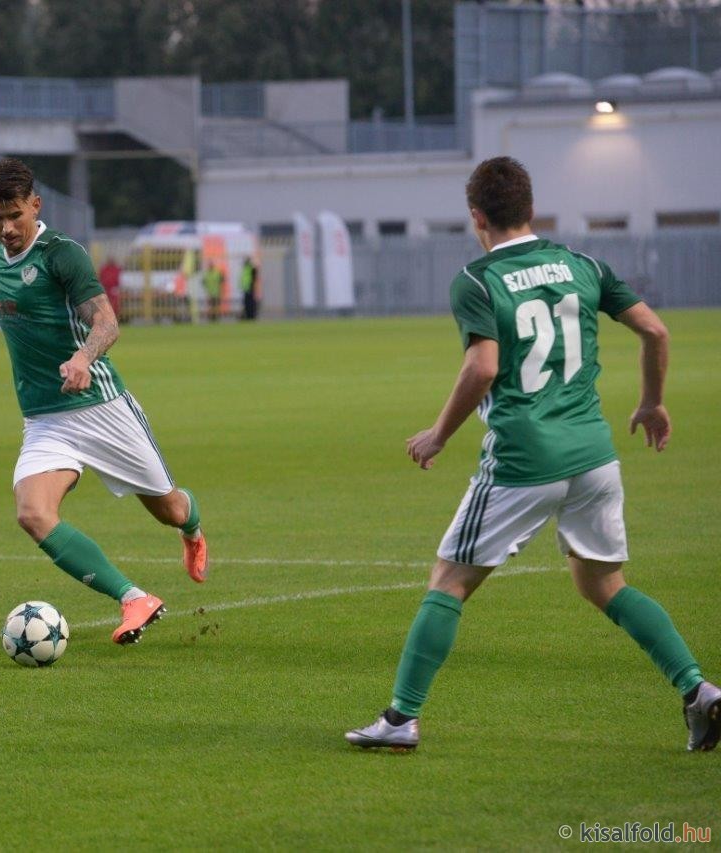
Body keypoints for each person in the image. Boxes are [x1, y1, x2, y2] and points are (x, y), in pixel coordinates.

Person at [345, 156, 720, 753]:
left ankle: (399, 721)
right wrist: (651, 402)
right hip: (594, 454)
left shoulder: (476, 280)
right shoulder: (582, 264)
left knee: (448, 580)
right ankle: (698, 690)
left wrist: (440, 433)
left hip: (525, 458)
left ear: (477, 217)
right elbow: (656, 331)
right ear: (532, 210)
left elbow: (484, 365)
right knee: (602, 583)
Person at [0, 158, 208, 646]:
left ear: (36, 205)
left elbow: (108, 323)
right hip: (44, 420)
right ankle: (133, 597)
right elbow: (5, 269)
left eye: (15, 215)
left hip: (101, 407)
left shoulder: (64, 254)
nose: (7, 227)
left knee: (168, 510)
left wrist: (81, 358)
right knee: (32, 514)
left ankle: (194, 528)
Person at [239, 255, 260, 320]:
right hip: (246, 288)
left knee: (251, 303)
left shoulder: (251, 268)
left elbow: (255, 273)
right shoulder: (245, 269)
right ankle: (248, 316)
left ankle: (251, 316)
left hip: (250, 288)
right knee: (246, 303)